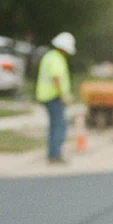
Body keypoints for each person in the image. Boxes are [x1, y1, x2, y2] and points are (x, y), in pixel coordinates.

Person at [36, 32, 76, 165]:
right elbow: (56, 77)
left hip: (46, 96)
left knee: (55, 125)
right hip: (53, 97)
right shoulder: (56, 58)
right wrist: (63, 96)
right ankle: (55, 155)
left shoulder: (49, 56)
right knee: (59, 126)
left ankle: (52, 153)